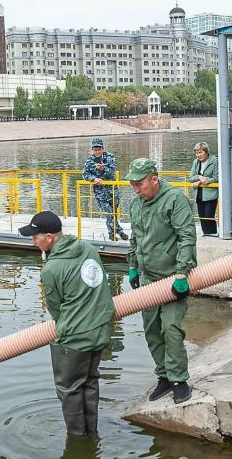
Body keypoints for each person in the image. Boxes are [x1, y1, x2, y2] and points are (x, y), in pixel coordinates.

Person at [19, 210, 114, 436]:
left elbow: (55, 309)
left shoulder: (51, 269)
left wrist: (67, 326)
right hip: (101, 330)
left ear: (50, 237)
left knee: (69, 389)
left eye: (35, 237)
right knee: (90, 382)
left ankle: (77, 440)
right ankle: (92, 432)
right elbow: (99, 284)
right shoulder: (89, 249)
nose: (33, 242)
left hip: (75, 339)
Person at [125, 157, 198, 404]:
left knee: (171, 328)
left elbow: (186, 236)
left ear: (154, 179)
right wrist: (133, 266)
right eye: (132, 184)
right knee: (152, 330)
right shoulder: (136, 205)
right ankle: (164, 376)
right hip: (148, 277)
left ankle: (179, 380)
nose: (136, 189)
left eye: (139, 184)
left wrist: (181, 273)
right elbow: (134, 238)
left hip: (172, 276)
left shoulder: (174, 200)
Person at [82, 137, 127, 240]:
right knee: (109, 213)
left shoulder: (110, 157)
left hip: (112, 189)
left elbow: (112, 173)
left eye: (99, 149)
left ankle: (115, 231)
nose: (97, 152)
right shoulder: (89, 161)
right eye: (95, 149)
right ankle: (115, 232)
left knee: (114, 211)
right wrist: (94, 179)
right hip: (100, 191)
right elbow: (85, 175)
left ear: (103, 149)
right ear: (92, 150)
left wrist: (103, 169)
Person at [187, 142, 219, 236]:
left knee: (209, 215)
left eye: (200, 152)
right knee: (202, 216)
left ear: (206, 152)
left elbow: (216, 177)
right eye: (196, 153)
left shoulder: (214, 161)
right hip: (198, 192)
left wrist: (201, 181)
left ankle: (213, 233)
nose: (198, 155)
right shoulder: (195, 162)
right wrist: (199, 177)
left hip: (210, 193)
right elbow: (191, 178)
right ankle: (206, 234)